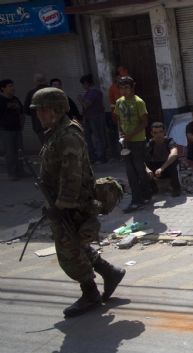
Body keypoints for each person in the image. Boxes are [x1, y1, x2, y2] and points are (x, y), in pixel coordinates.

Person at [29, 87, 126, 318]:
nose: (39, 116)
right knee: (77, 242)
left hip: (71, 204)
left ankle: (90, 293)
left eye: (43, 110)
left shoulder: (68, 135)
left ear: (57, 109)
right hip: (65, 202)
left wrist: (61, 205)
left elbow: (71, 174)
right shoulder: (56, 132)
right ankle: (109, 272)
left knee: (68, 250)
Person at [114, 76, 152, 212]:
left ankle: (143, 195)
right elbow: (119, 120)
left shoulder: (139, 102)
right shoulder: (119, 102)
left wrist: (131, 135)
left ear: (132, 88)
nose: (124, 91)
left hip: (138, 141)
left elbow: (144, 122)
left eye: (126, 88)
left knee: (139, 170)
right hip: (125, 142)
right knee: (130, 172)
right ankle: (138, 198)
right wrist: (121, 134)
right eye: (121, 88)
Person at [145, 122, 181, 196]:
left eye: (160, 132)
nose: (158, 135)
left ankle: (176, 189)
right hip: (156, 169)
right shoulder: (150, 144)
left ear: (164, 132)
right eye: (155, 133)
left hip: (166, 167)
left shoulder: (169, 141)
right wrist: (147, 170)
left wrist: (162, 168)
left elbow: (174, 154)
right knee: (142, 167)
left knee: (173, 163)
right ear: (152, 133)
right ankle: (153, 188)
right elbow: (141, 159)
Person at [78, 74, 107, 164]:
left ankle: (101, 157)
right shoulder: (89, 93)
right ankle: (93, 156)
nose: (83, 86)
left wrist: (80, 99)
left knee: (98, 137)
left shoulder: (93, 92)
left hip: (96, 117)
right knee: (90, 138)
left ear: (86, 83)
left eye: (83, 84)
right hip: (89, 117)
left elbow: (86, 104)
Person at [0, 79, 25, 180]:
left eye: (13, 86)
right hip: (6, 130)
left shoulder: (15, 99)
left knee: (19, 151)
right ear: (3, 88)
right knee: (10, 152)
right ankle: (12, 173)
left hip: (17, 129)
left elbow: (21, 112)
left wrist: (21, 124)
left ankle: (21, 170)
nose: (13, 88)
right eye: (10, 86)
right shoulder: (1, 100)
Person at [24, 73, 48, 144]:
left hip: (40, 124)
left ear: (36, 81)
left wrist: (35, 114)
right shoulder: (55, 91)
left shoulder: (31, 93)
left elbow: (26, 110)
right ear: (45, 80)